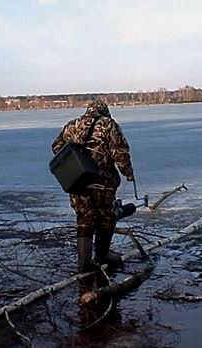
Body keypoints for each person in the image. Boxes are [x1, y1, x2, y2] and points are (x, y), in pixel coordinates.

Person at [52, 99, 134, 272]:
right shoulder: (108, 125)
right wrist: (128, 173)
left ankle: (84, 263)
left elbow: (57, 147)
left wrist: (76, 160)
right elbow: (119, 153)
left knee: (84, 220)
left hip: (77, 182)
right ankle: (102, 255)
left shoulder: (72, 125)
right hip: (102, 182)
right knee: (106, 218)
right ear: (105, 110)